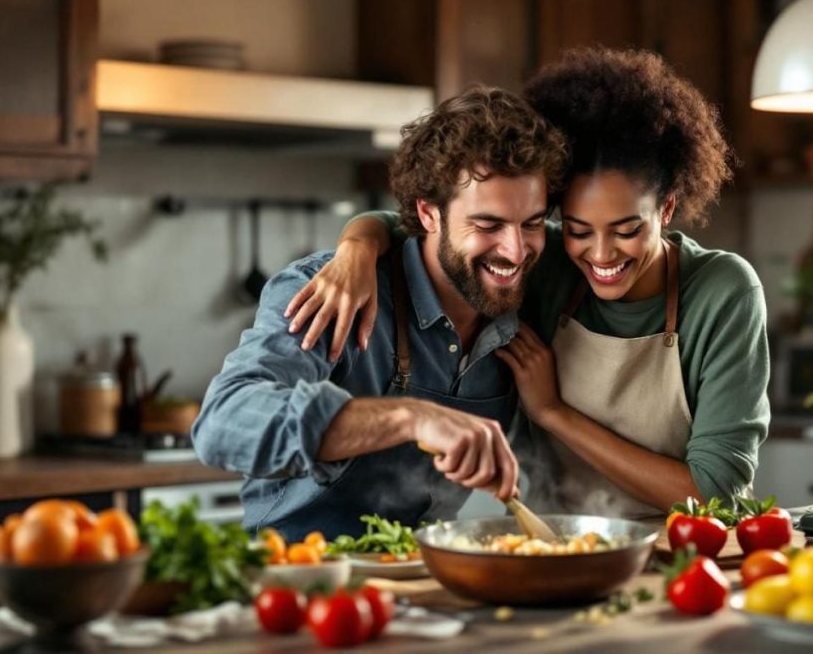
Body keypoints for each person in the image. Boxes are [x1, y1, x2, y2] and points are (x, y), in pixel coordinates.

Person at [284, 48, 769, 518]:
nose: (601, 256)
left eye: (627, 231)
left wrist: (554, 412)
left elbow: (715, 495)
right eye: (579, 230)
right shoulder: (545, 257)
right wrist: (358, 247)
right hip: (558, 546)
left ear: (666, 209)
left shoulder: (723, 291)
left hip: (687, 551)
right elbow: (434, 226)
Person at [192, 86, 568, 540]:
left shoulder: (535, 290)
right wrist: (411, 418)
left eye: (531, 224)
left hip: (419, 577)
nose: (515, 250)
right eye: (487, 225)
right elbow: (223, 421)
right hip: (299, 575)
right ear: (429, 214)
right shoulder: (329, 291)